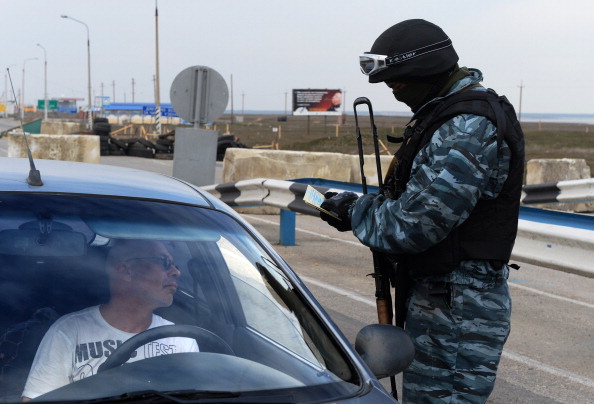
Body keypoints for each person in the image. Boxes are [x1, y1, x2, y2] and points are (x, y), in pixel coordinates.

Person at [320, 19, 524, 404]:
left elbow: (415, 224)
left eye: (396, 79)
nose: (391, 88)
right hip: (440, 300)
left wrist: (355, 213)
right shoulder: (444, 116)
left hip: (458, 310)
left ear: (422, 70)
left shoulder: (467, 126)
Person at [22, 239, 199, 400]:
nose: (176, 272)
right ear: (125, 271)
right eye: (164, 262)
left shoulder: (181, 340)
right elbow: (37, 399)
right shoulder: (69, 331)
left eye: (175, 265)